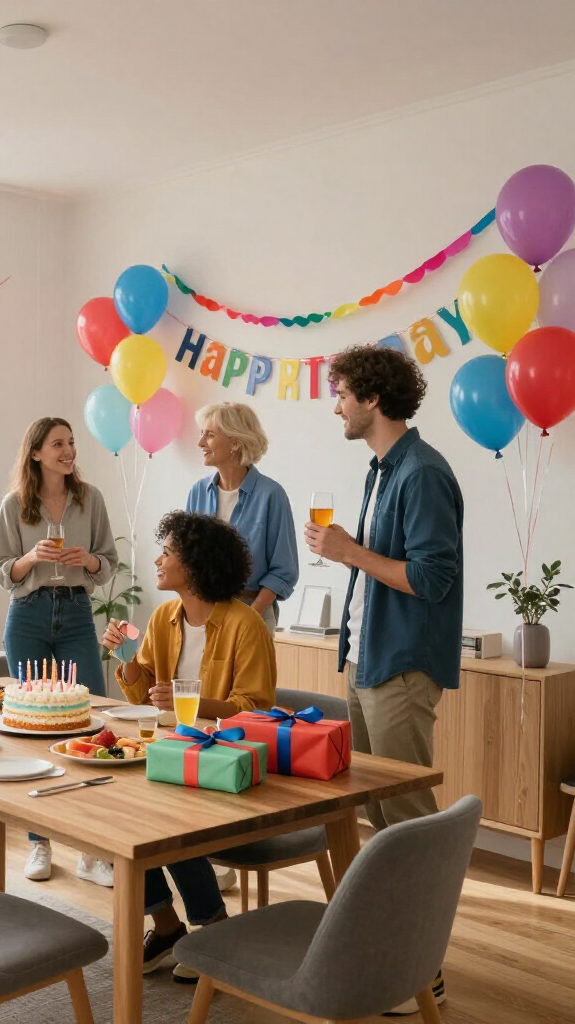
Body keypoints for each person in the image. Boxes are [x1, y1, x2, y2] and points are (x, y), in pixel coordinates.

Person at [304, 346, 462, 1015]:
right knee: (375, 812)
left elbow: (431, 578)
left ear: (371, 398)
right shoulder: (381, 471)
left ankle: (423, 972)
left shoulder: (421, 473)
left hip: (402, 664)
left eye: (340, 393)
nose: (334, 404)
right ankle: (384, 954)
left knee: (406, 819)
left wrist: (350, 552)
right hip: (368, 659)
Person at [102, 510, 276, 982]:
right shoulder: (164, 617)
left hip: (228, 763)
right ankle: (165, 926)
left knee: (167, 820)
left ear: (194, 565)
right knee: (113, 814)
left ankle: (214, 929)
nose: (157, 560)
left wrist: (196, 701)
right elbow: (142, 696)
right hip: (176, 754)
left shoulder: (245, 625)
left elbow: (257, 708)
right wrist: (125, 658)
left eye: (167, 553)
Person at [0, 416, 118, 888]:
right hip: (28, 615)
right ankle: (38, 841)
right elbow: (2, 569)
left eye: (71, 443)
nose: (68, 451)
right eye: (58, 444)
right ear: (37, 452)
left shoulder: (92, 499)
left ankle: (91, 848)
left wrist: (87, 560)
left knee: (92, 719)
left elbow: (108, 563)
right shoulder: (14, 505)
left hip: (77, 611)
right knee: (33, 728)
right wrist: (32, 558)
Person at [185, 402, 298, 635]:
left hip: (253, 612)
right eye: (201, 434)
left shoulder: (271, 495)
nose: (200, 443)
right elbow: (185, 560)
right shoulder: (198, 492)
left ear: (235, 442)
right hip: (203, 613)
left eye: (210, 435)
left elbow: (283, 571)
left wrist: (249, 618)